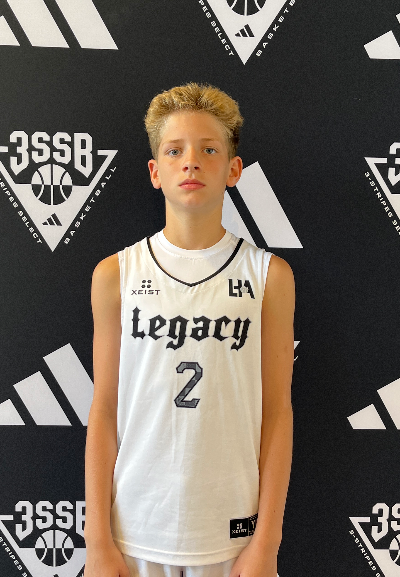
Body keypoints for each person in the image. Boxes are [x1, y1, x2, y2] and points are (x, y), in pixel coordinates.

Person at [83, 83, 295, 577]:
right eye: (174, 150)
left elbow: (277, 413)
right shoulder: (116, 274)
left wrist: (266, 543)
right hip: (134, 532)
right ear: (155, 172)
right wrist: (97, 541)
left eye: (209, 150)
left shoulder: (269, 276)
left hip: (231, 537)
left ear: (233, 170)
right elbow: (105, 410)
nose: (191, 162)